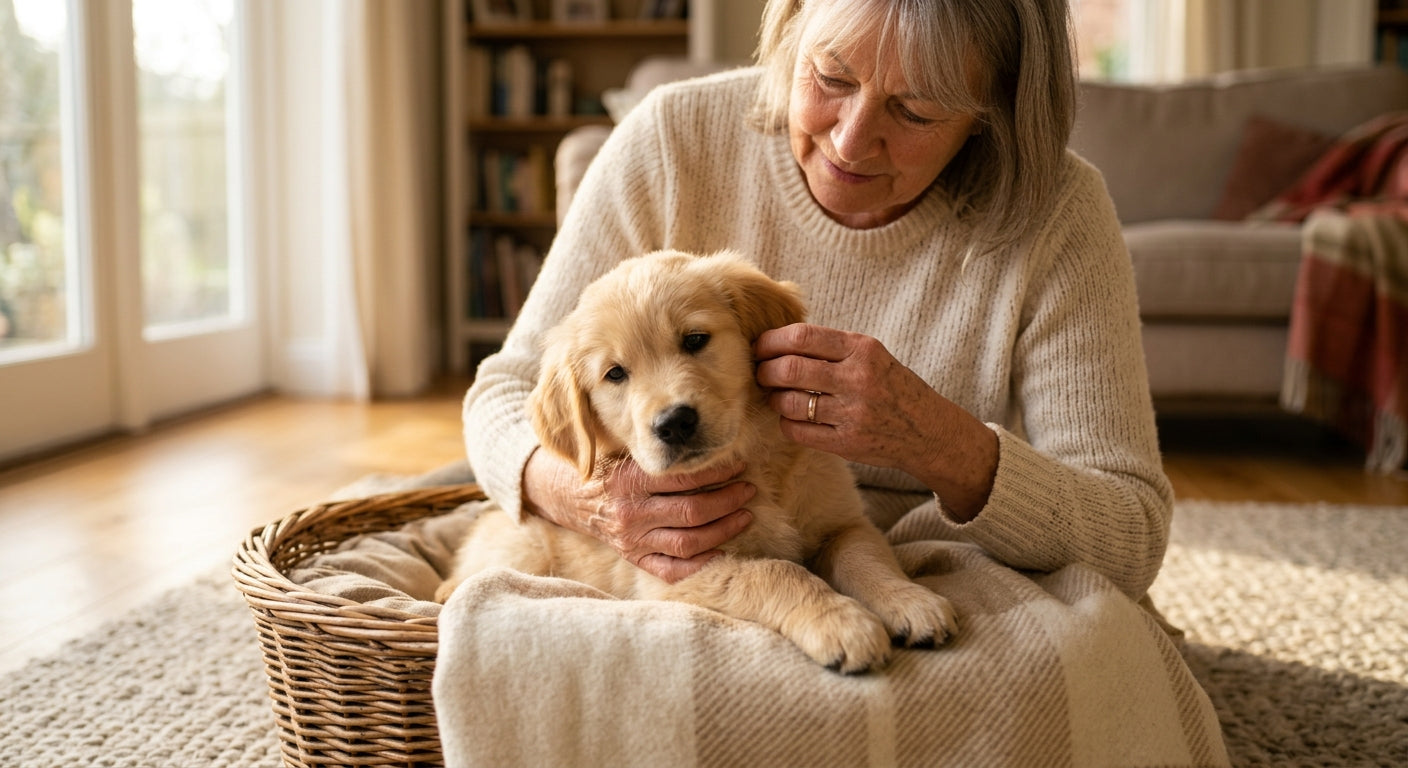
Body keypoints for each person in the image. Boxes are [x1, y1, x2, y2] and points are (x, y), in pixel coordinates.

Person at [463, 0, 1172, 605]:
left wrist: (941, 443)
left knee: (1071, 648)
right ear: (791, 29)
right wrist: (594, 502)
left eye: (916, 110)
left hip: (932, 558)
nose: (851, 142)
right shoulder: (671, 137)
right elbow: (504, 395)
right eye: (831, 76)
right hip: (686, 564)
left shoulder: (1059, 212)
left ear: (993, 113)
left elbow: (1129, 535)